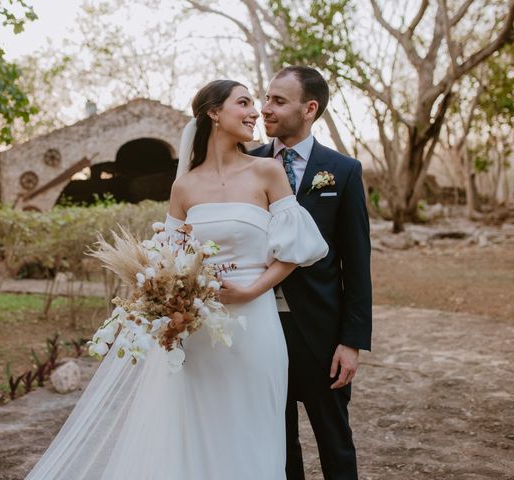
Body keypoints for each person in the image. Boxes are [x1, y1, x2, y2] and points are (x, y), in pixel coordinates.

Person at [24, 79, 328, 479]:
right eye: (244, 102)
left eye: (255, 103)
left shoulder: (267, 172)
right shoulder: (184, 186)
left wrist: (251, 290)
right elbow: (167, 260)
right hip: (198, 331)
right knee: (199, 428)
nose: (255, 111)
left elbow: (295, 250)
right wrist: (173, 309)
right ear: (214, 113)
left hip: (255, 325)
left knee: (256, 428)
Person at [249, 66, 373, 480]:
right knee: (275, 442)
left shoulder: (343, 170)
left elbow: (357, 265)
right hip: (257, 326)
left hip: (320, 333)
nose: (265, 108)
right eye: (266, 98)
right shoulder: (246, 164)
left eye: (278, 101)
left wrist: (351, 342)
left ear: (310, 109)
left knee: (334, 443)